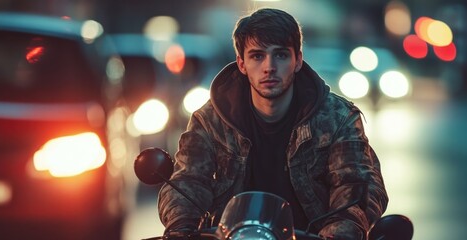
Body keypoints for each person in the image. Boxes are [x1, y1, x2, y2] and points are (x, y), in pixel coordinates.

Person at [158, 8, 388, 239]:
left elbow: (356, 186)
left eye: (280, 55)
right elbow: (188, 181)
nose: (269, 67)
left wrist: (338, 233)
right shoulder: (209, 121)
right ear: (241, 64)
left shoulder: (337, 118)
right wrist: (181, 230)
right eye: (257, 56)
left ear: (298, 60)